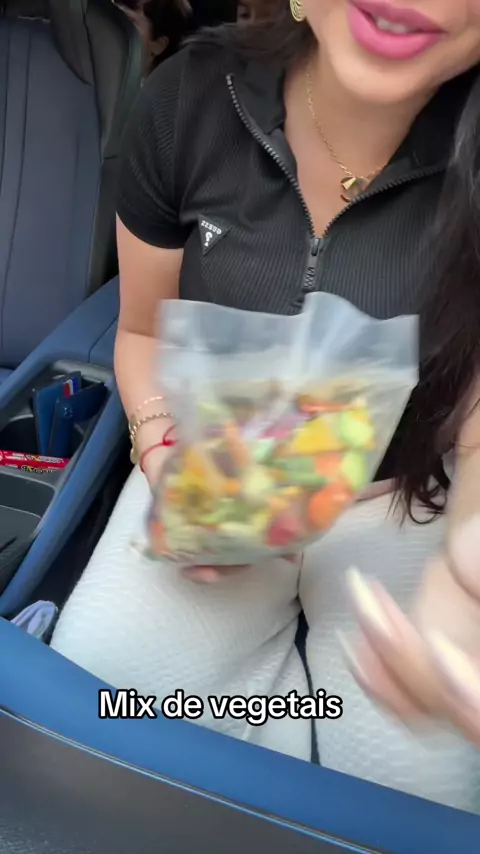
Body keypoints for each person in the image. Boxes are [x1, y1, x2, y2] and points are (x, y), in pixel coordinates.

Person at [50, 0, 480, 811]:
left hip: (400, 503)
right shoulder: (188, 99)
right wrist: (162, 454)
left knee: (421, 796)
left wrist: (468, 571)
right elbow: (142, 332)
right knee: (93, 733)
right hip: (214, 470)